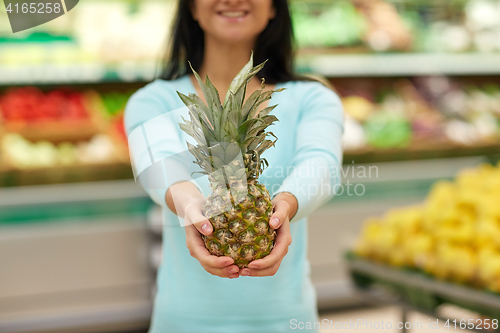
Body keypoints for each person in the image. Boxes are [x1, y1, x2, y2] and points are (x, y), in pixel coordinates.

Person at [124, 0, 344, 331]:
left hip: (286, 321)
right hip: (184, 323)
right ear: (192, 8)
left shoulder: (312, 97)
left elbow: (321, 163)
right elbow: (158, 165)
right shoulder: (153, 100)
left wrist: (285, 205)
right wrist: (189, 205)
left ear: (274, 8)